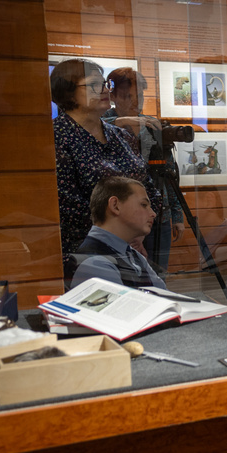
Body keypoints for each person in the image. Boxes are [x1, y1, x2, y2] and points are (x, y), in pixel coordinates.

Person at [51, 58, 162, 258]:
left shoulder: (122, 135)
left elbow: (147, 187)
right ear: (68, 91)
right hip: (85, 252)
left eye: (104, 84)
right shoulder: (56, 136)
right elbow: (68, 205)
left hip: (131, 245)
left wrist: (137, 232)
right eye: (94, 85)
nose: (104, 90)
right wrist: (123, 232)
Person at [106, 68, 185, 272]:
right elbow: (86, 127)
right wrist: (120, 122)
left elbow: (169, 175)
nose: (135, 102)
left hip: (159, 214)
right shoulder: (103, 124)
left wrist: (177, 216)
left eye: (139, 96)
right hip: (121, 217)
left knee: (158, 276)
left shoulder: (150, 125)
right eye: (127, 96)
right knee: (128, 277)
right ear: (113, 96)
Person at [70, 176, 165, 289]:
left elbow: (166, 297)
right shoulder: (95, 264)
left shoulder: (134, 256)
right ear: (115, 206)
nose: (153, 213)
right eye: (144, 205)